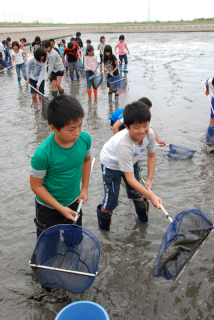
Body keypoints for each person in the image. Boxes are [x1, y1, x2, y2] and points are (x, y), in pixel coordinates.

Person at [30, 95, 92, 238]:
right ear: (53, 128)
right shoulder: (42, 154)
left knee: (74, 241)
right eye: (71, 129)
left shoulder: (85, 139)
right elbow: (36, 186)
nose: (77, 132)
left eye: (80, 125)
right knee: (49, 247)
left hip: (74, 201)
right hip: (48, 208)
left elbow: (86, 161)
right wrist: (60, 208)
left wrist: (84, 188)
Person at [97, 101, 163, 231]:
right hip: (111, 164)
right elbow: (130, 179)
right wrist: (152, 196)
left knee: (137, 194)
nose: (142, 131)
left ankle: (143, 223)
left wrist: (149, 179)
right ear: (127, 126)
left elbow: (152, 155)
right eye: (136, 127)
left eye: (145, 125)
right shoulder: (123, 144)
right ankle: (104, 231)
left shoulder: (149, 134)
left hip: (131, 160)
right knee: (111, 200)